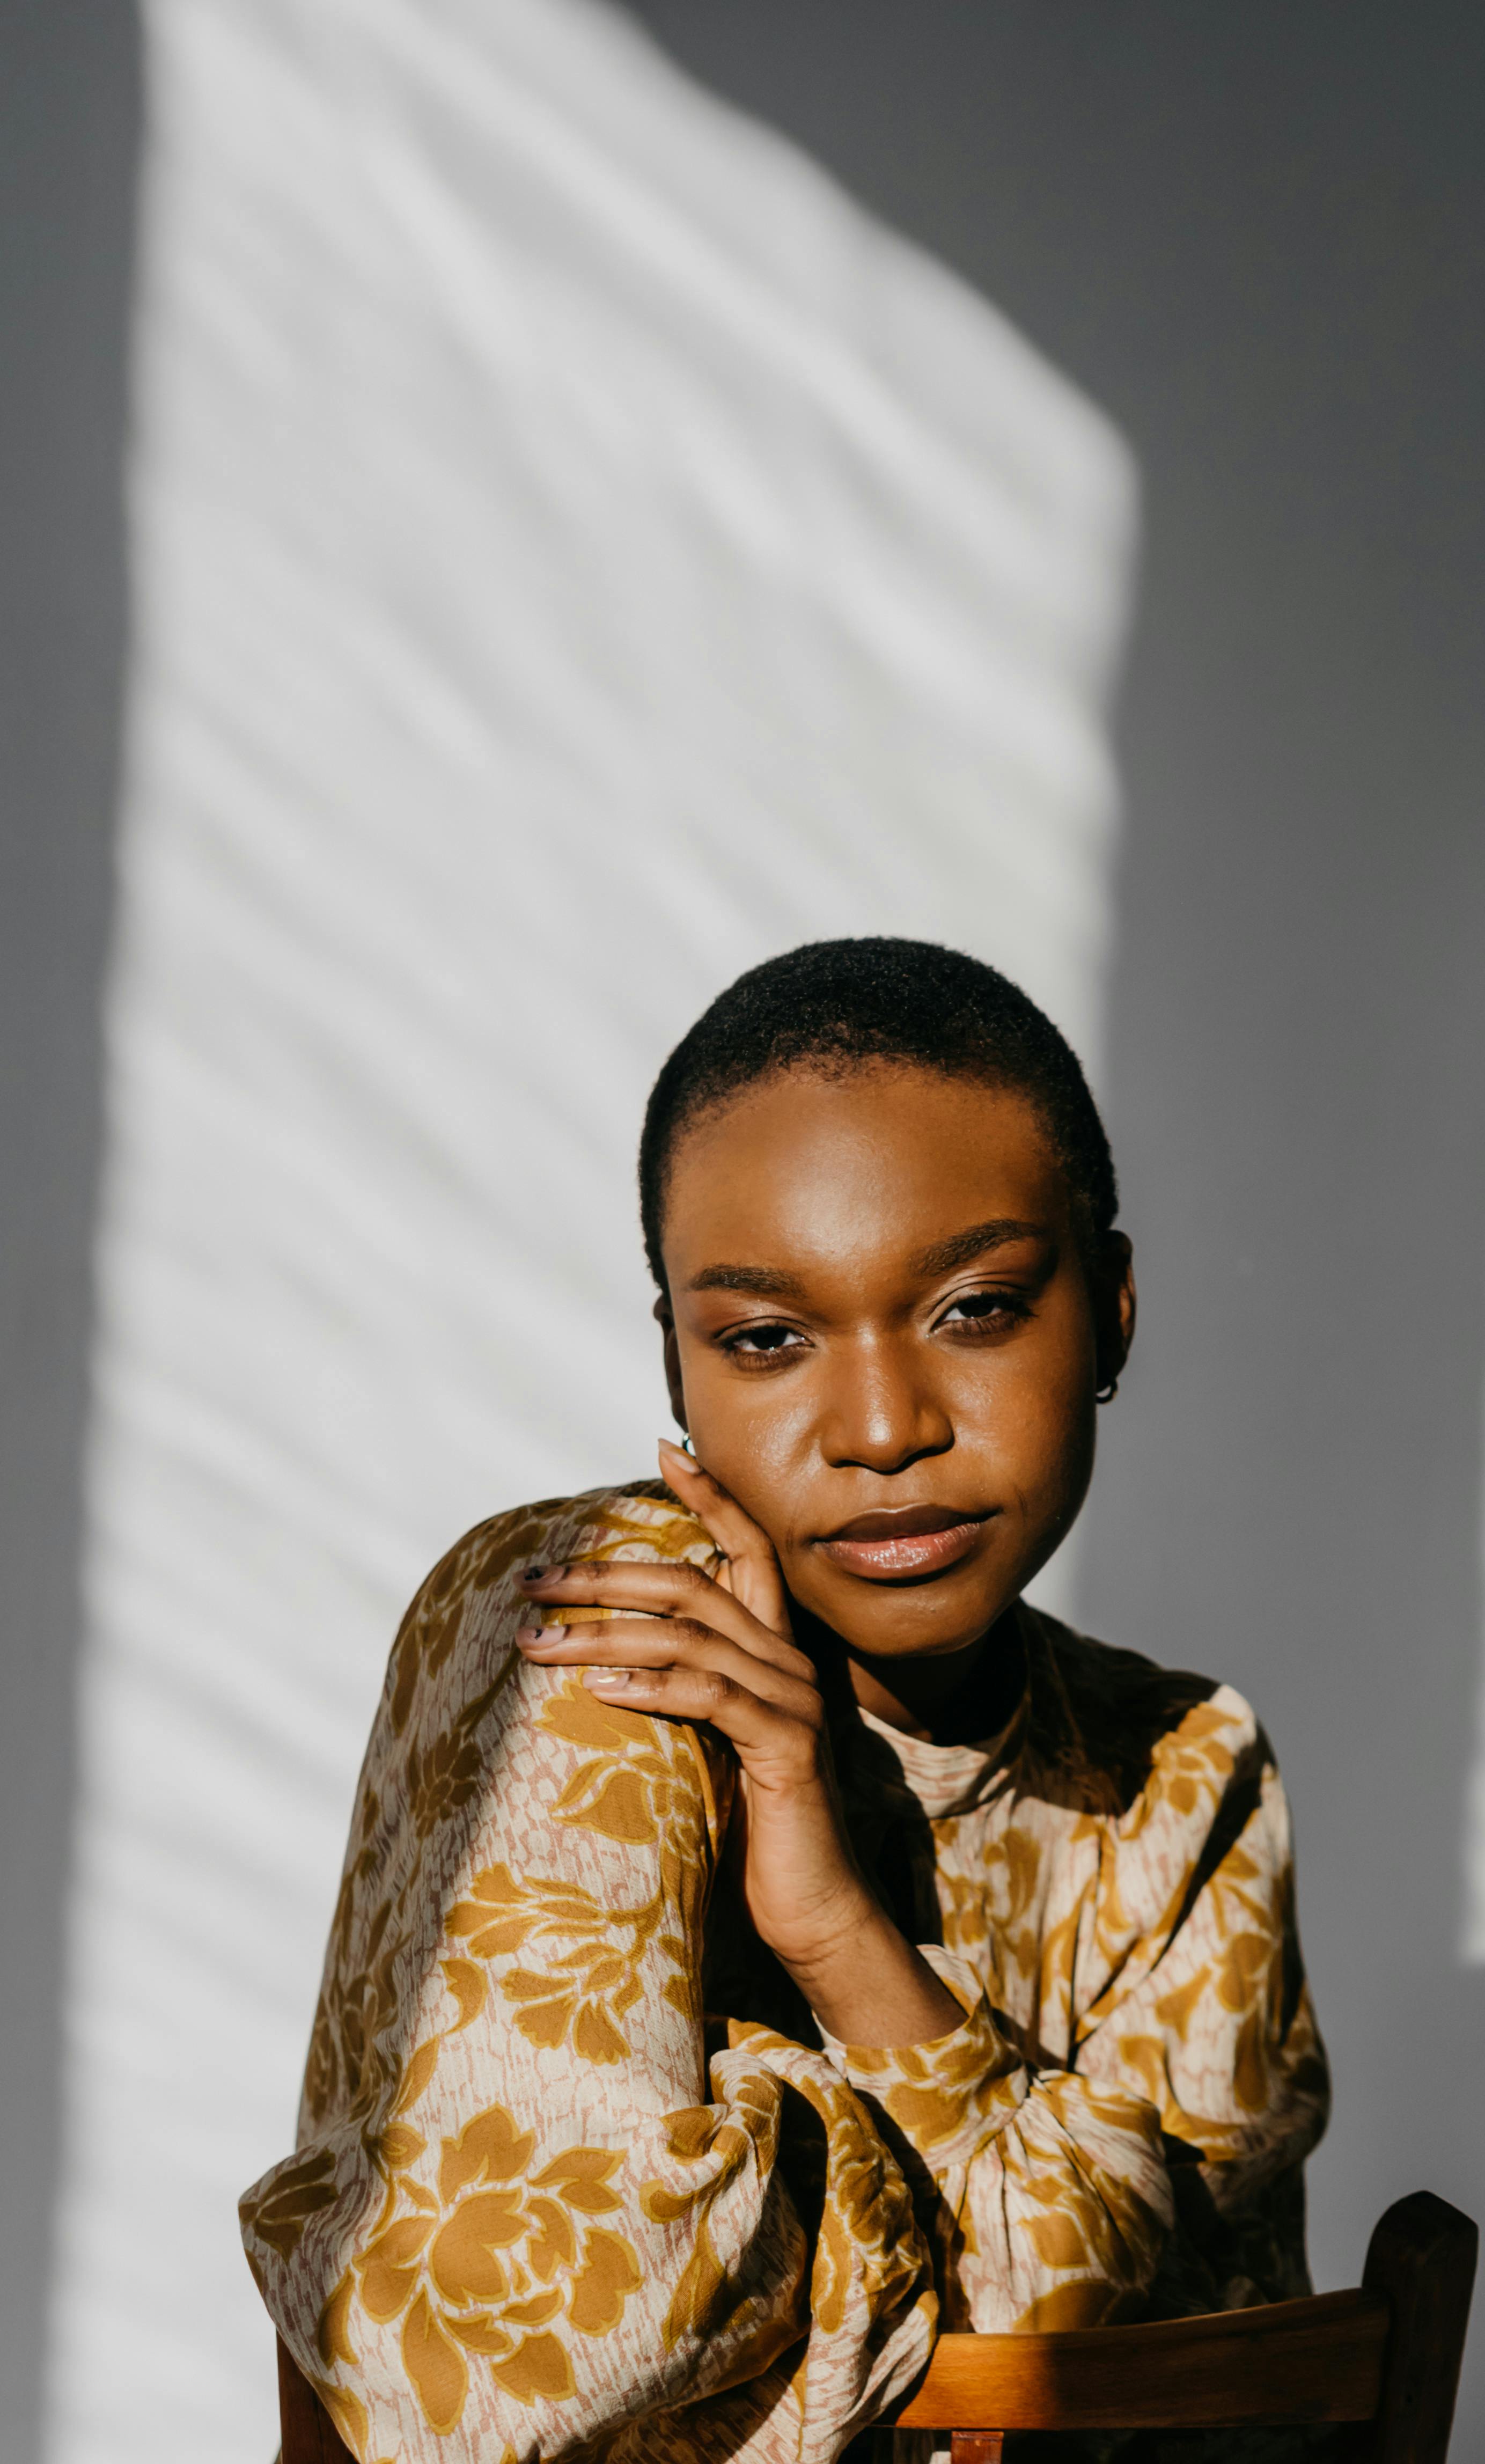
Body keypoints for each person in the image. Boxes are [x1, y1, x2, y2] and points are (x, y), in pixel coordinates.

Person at [242, 940, 1329, 2464]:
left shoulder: (1180, 1774)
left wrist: (835, 1937)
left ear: (1115, 1314)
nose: (884, 1429)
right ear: (681, 1375)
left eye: (978, 1308)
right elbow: (495, 2375)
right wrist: (1019, 2222)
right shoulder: (603, 1616)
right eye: (765, 1340)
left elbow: (1228, 2405)